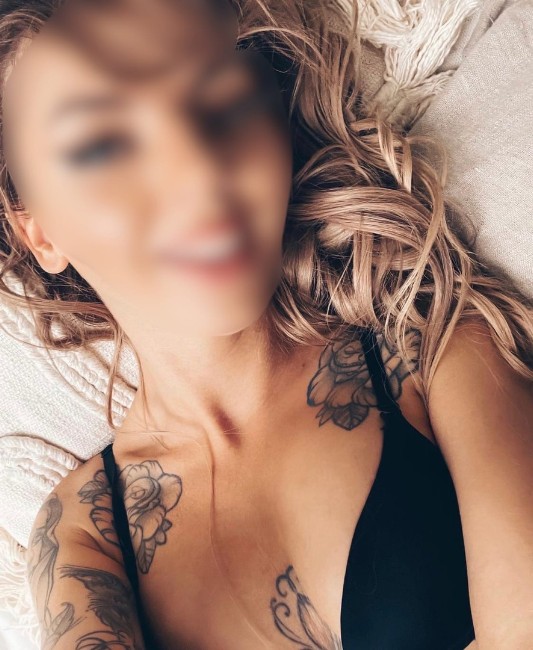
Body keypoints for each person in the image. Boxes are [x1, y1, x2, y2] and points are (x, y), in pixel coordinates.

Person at [1, 0, 532, 648]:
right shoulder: (83, 529)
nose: (199, 174)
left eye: (222, 101)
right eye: (103, 145)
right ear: (40, 232)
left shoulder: (436, 348)